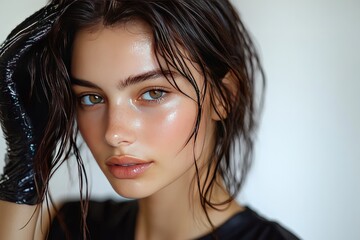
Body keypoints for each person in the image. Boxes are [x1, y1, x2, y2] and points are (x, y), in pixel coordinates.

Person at [0, 0, 299, 239]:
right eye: (91, 97)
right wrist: (23, 165)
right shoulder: (69, 226)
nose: (113, 134)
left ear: (223, 97)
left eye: (153, 92)